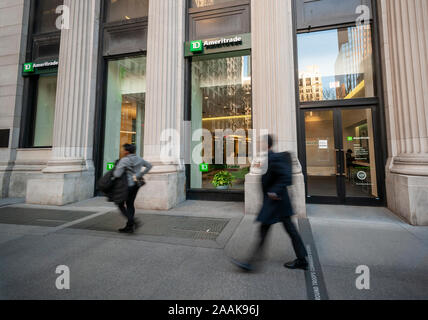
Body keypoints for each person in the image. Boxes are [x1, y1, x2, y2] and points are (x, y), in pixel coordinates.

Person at [232, 135, 308, 272]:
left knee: (279, 231)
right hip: (275, 203)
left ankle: (250, 263)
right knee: (271, 231)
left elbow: (286, 177)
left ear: (267, 144)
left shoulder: (274, 158)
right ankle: (301, 259)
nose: (259, 144)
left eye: (261, 142)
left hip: (277, 203)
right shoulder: (269, 157)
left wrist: (274, 191)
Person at [113, 144, 152, 234]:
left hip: (127, 185)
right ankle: (129, 227)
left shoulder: (124, 160)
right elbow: (149, 166)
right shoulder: (139, 159)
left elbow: (117, 174)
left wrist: (116, 170)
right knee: (130, 204)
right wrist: (140, 174)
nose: (123, 151)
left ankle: (133, 221)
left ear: (127, 151)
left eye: (124, 150)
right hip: (136, 184)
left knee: (119, 203)